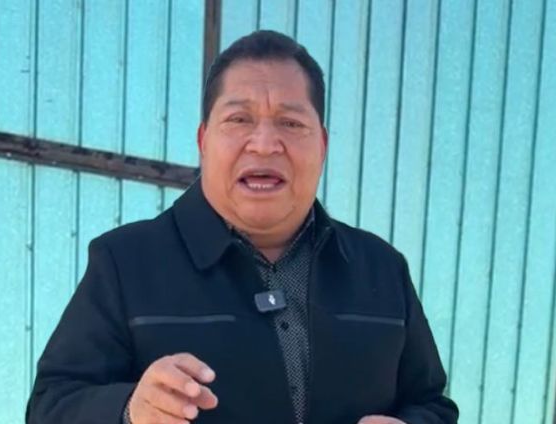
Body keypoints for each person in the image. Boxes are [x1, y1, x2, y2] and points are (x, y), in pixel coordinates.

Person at [26, 30, 459, 424]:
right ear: (203, 140)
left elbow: (431, 403)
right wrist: (129, 410)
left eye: (291, 123)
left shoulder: (382, 268)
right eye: (239, 120)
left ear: (323, 145)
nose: (265, 144)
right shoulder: (126, 262)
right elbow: (50, 407)